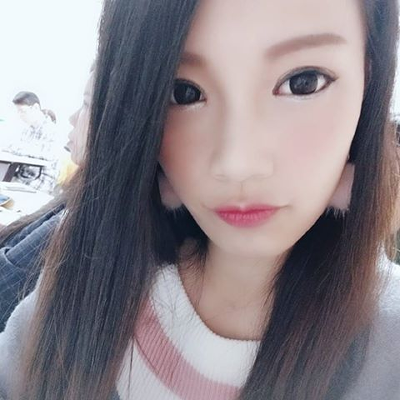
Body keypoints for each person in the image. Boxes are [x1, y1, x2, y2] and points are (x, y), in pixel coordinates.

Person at [0, 1, 400, 399]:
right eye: (184, 92)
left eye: (304, 82)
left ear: (368, 85)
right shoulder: (86, 282)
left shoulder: (388, 345)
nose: (237, 164)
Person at [0, 71, 93, 331]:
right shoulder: (74, 204)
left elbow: (5, 286)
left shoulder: (75, 219)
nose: (72, 118)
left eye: (87, 103)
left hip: (36, 187)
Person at [3, 91, 60, 194]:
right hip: (24, 176)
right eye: (18, 111)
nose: (20, 115)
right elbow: (14, 147)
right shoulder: (27, 129)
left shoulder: (51, 130)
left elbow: (46, 154)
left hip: (40, 179)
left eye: (22, 111)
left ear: (35, 108)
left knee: (5, 191)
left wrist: (16, 148)